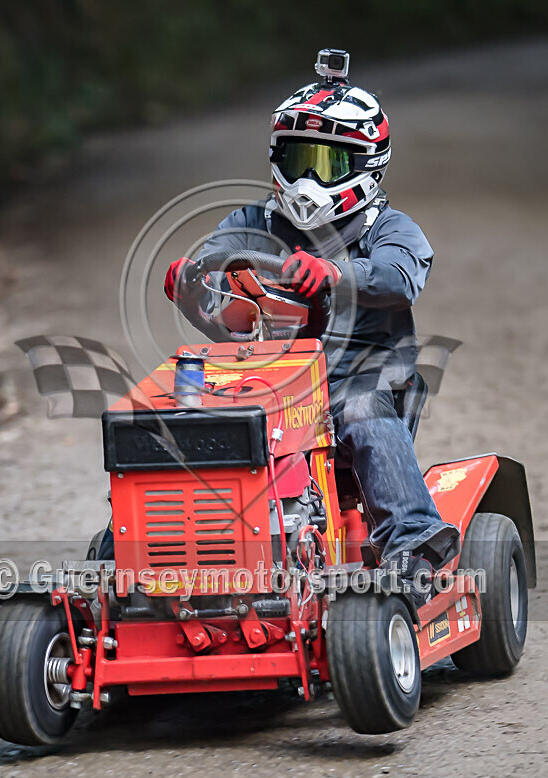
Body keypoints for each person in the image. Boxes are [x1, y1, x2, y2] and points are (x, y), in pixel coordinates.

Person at [164, 49, 460, 603]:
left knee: (364, 409)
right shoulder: (255, 222)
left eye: (324, 165)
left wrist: (332, 273)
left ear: (365, 164)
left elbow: (398, 279)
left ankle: (414, 544)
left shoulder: (390, 229)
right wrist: (190, 285)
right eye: (296, 159)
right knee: (185, 411)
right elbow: (217, 274)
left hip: (361, 378)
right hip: (267, 378)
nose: (305, 179)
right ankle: (145, 554)